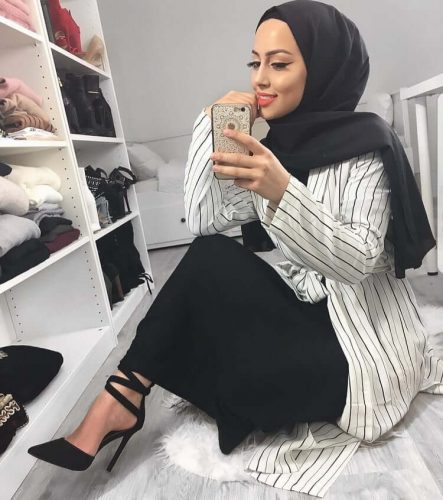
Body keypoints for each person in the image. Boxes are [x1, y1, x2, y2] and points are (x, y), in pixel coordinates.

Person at [28, 0, 443, 496]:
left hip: (356, 350)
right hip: (311, 318)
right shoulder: (280, 147)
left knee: (210, 329)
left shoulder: (368, 148)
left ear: (323, 69)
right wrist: (212, 126)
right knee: (211, 258)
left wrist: (282, 191)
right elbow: (206, 221)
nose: (261, 78)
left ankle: (122, 402)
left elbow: (355, 262)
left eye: (279, 63)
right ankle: (124, 396)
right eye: (255, 61)